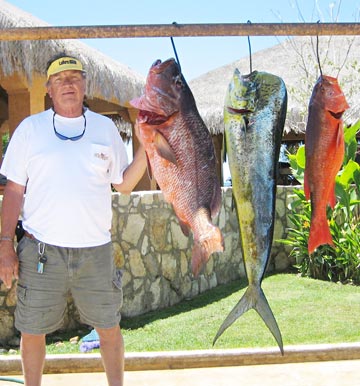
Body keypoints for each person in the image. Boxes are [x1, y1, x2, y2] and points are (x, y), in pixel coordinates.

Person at [0, 53, 147, 386]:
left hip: (95, 251)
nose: (68, 83)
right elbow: (13, 190)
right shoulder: (30, 130)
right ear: (50, 89)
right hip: (41, 252)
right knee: (33, 329)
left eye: (74, 77)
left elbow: (123, 185)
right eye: (59, 79)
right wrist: (5, 243)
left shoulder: (104, 128)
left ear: (85, 85)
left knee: (109, 328)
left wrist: (148, 149)